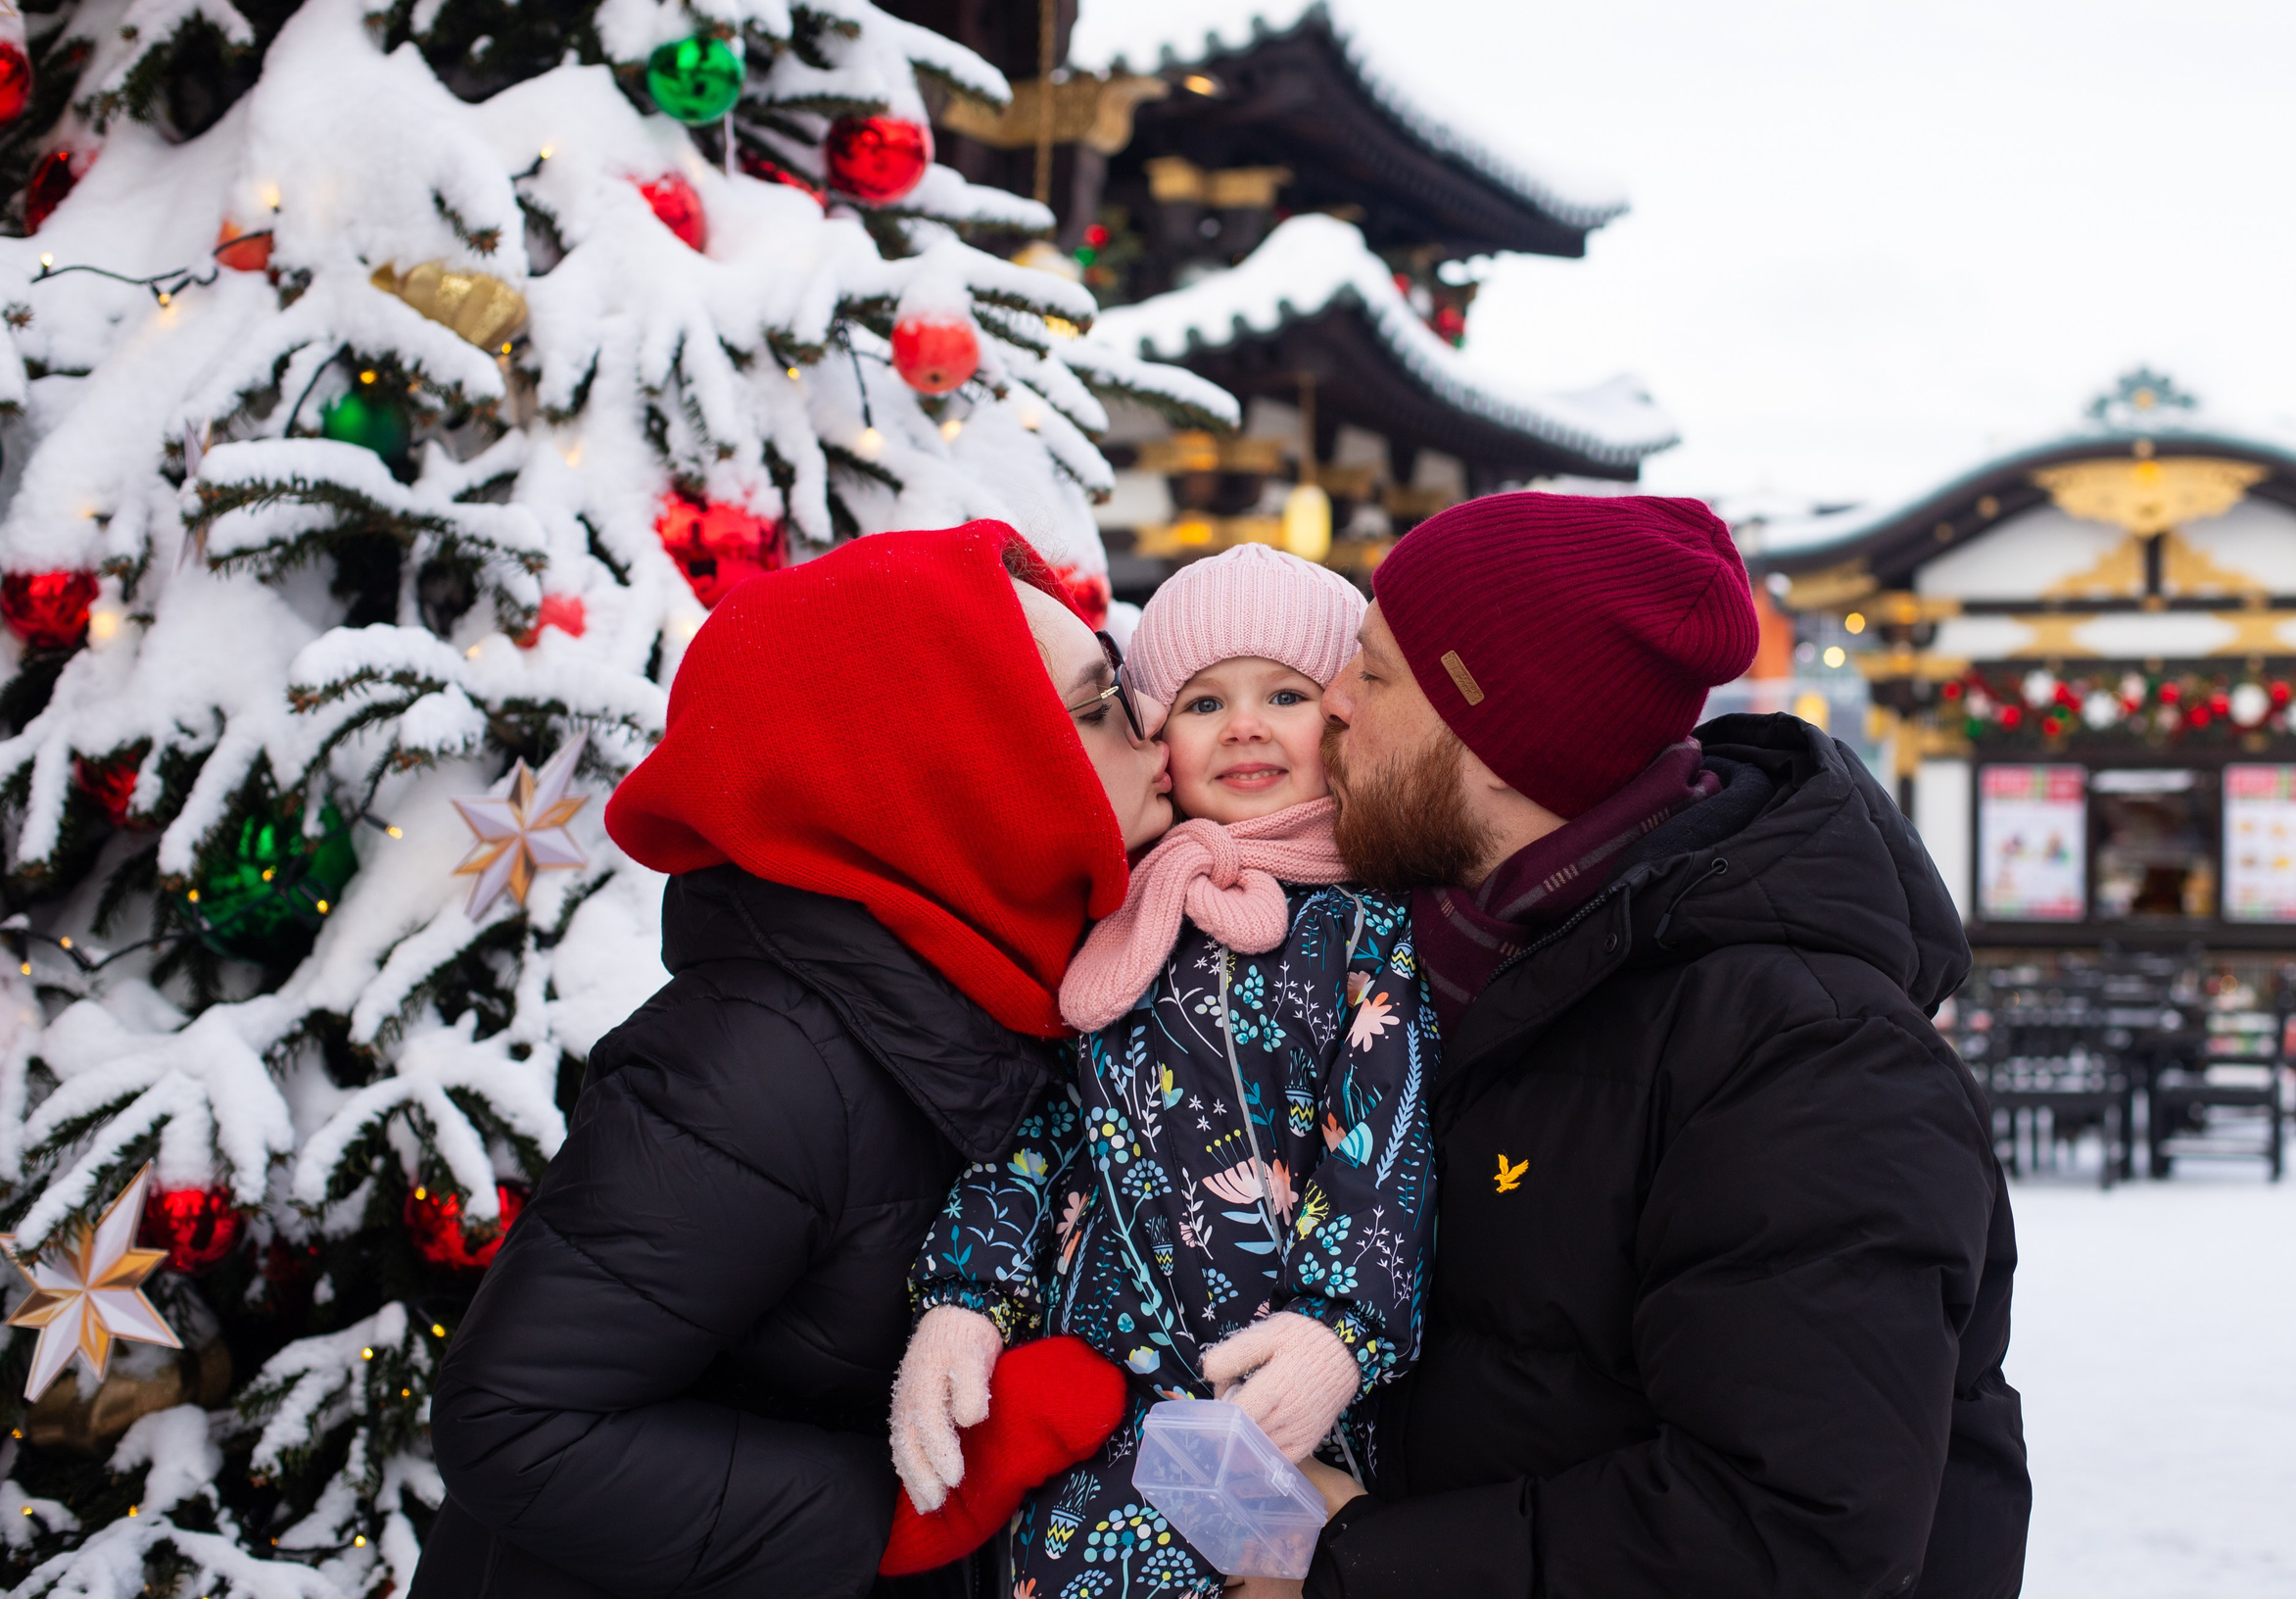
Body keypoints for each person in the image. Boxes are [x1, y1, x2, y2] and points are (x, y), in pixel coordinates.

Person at [412, 521, 1172, 1599]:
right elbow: (517, 1420)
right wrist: (901, 1525)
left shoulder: (1021, 991)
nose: (1157, 740)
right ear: (960, 761)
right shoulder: (760, 1064)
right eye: (1101, 704)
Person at [1299, 493, 2030, 1599]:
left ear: (1500, 742)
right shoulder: (1419, 963)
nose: (1332, 704)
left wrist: (1360, 1565)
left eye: (1376, 675)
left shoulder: (1807, 1057)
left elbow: (1793, 1527)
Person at [890, 544, 1439, 1599]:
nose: (1242, 724)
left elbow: (1385, 1144)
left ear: (1337, 719)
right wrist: (967, 1295)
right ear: (1155, 743)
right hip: (1094, 1386)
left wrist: (1341, 1335)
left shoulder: (1365, 927)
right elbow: (1038, 1129)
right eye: (1200, 702)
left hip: (1270, 1398)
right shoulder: (1118, 923)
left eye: (1282, 693)